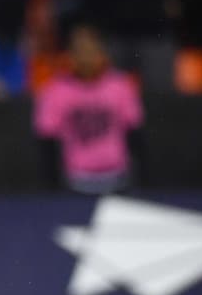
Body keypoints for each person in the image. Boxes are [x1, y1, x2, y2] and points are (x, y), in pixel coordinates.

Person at [34, 22, 143, 194]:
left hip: (119, 180)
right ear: (70, 56)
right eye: (80, 52)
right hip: (75, 182)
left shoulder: (120, 85)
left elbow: (135, 132)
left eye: (91, 51)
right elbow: (46, 139)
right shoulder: (55, 90)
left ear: (102, 54)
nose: (86, 58)